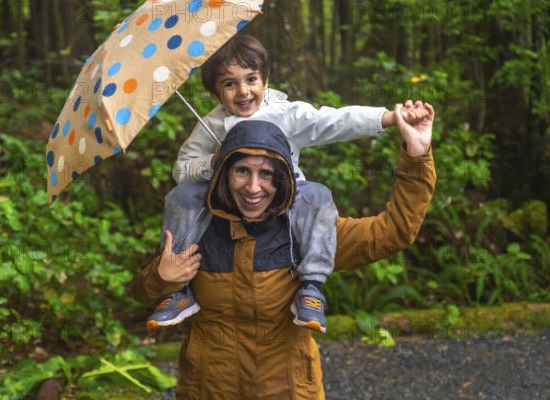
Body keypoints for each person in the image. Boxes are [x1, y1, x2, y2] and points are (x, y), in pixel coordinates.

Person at [130, 102, 436, 399]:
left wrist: (417, 155)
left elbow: (393, 233)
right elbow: (142, 293)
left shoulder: (307, 231)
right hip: (208, 389)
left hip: (289, 390)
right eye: (241, 171)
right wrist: (161, 277)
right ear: (222, 172)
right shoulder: (195, 226)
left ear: (284, 177)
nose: (253, 187)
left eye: (266, 174)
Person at [145, 34, 429, 333]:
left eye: (251, 79)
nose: (243, 91)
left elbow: (332, 121)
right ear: (215, 93)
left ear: (265, 81)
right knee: (182, 196)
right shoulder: (210, 125)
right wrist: (211, 163)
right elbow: (182, 168)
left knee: (317, 196)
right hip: (225, 204)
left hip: (287, 197)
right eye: (229, 84)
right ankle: (178, 290)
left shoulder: (284, 113)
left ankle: (311, 287)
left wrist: (387, 118)